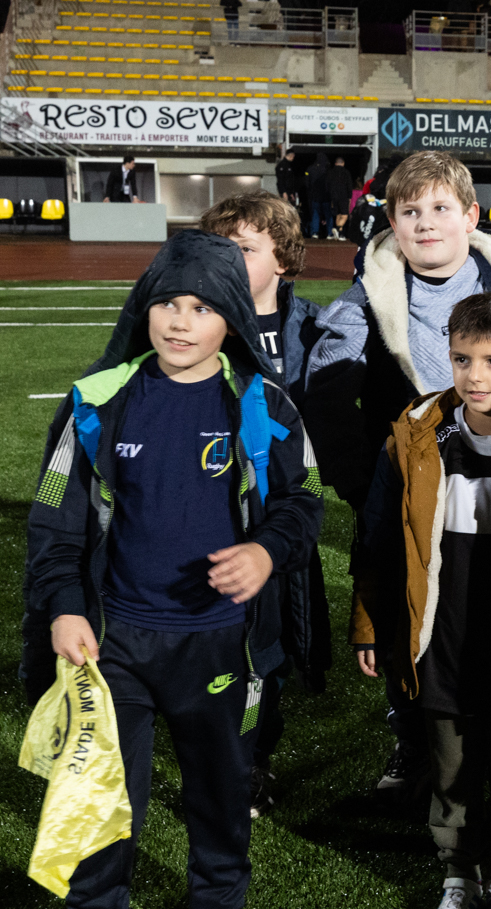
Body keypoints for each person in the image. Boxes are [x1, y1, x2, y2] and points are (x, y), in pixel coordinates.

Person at [23, 229, 323, 908]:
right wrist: (66, 603)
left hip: (220, 641)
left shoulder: (263, 406)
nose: (181, 321)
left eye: (203, 307)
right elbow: (52, 513)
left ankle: (217, 895)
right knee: (101, 803)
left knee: (218, 800)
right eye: (168, 302)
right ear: (144, 307)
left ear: (233, 320)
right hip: (111, 644)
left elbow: (305, 497)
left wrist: (265, 551)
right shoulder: (94, 402)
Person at [303, 150, 491, 793]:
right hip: (410, 485)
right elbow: (325, 393)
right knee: (409, 609)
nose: (426, 223)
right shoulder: (366, 298)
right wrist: (362, 481)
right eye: (410, 212)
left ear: (470, 217)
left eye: (440, 209)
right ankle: (413, 743)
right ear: (390, 222)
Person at [352, 292, 491, 909]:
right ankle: (456, 867)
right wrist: (371, 623)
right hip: (443, 632)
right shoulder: (419, 433)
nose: (475, 375)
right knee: (451, 761)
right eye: (462, 358)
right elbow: (381, 535)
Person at [198, 191, 331, 817]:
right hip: (215, 508)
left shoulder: (314, 327)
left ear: (283, 259)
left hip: (287, 513)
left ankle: (255, 758)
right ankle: (220, 749)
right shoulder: (200, 320)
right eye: (220, 248)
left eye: (245, 249)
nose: (230, 260)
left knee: (273, 644)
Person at [326, 156, 354, 241]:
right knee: (345, 215)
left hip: (333, 197)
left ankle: (340, 234)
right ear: (343, 163)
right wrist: (349, 196)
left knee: (337, 214)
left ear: (335, 163)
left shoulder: (330, 172)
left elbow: (327, 185)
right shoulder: (346, 173)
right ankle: (338, 229)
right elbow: (349, 185)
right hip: (343, 196)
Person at [306, 153, 331, 240]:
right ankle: (329, 233)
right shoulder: (327, 170)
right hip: (326, 196)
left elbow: (307, 183)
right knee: (328, 214)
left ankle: (315, 232)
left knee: (315, 214)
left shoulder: (310, 169)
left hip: (315, 196)